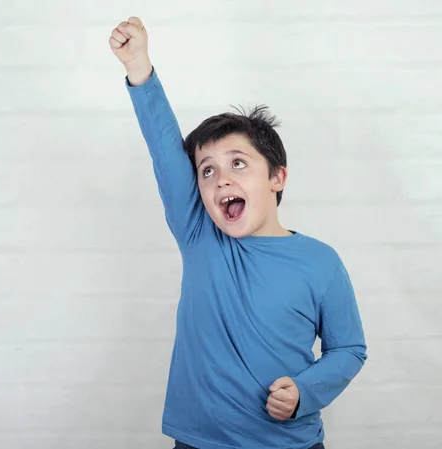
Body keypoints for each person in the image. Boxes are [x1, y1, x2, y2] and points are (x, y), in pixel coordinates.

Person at [108, 17, 367, 449]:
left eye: (238, 163)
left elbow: (349, 349)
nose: (221, 179)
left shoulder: (321, 262)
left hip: (290, 443)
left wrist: (305, 392)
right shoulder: (200, 237)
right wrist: (139, 67)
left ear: (277, 177)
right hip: (197, 442)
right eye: (207, 171)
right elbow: (164, 149)